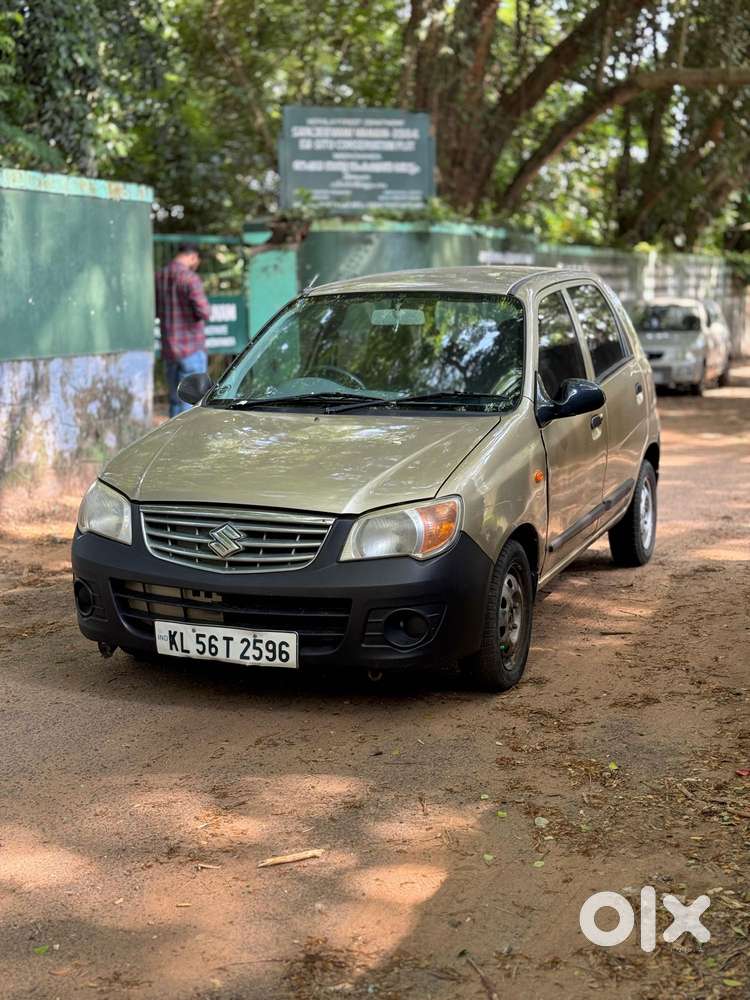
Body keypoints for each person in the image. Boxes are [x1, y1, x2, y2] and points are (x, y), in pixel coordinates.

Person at [155, 242, 211, 417]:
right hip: (191, 348)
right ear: (193, 256)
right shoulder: (190, 278)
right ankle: (190, 434)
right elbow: (204, 312)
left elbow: (156, 309)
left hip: (169, 349)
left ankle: (174, 433)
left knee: (175, 399)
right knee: (193, 402)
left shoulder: (159, 276)